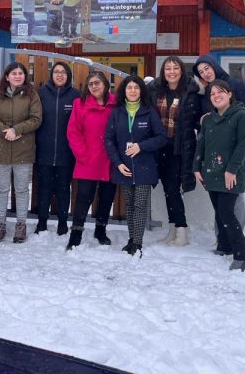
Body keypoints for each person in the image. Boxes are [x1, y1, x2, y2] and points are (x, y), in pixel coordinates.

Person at [193, 55, 245, 233]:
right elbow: (203, 123)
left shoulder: (236, 85)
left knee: (234, 195)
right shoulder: (207, 93)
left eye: (207, 68)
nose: (205, 73)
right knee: (218, 196)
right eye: (201, 72)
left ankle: (236, 237)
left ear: (215, 66)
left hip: (238, 151)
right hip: (216, 154)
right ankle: (221, 238)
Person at [193, 80, 245, 271]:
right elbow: (201, 144)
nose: (216, 96)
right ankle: (224, 246)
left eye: (220, 92)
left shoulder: (241, 116)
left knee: (227, 212)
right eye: (212, 94)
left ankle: (242, 255)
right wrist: (196, 167)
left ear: (229, 94)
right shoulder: (209, 119)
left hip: (231, 174)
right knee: (220, 212)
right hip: (211, 173)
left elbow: (243, 144)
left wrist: (232, 169)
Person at [104, 75, 167, 257]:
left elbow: (161, 137)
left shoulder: (149, 111)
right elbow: (109, 139)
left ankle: (137, 243)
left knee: (140, 205)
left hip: (144, 166)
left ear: (141, 91)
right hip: (124, 167)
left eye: (136, 88)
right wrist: (117, 163)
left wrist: (142, 146)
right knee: (130, 205)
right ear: (124, 91)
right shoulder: (117, 112)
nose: (132, 91)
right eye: (129, 87)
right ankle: (132, 239)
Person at [0, 62, 42, 243]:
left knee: (22, 190)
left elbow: (36, 119)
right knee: (1, 190)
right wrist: (4, 130)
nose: (18, 76)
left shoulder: (32, 95)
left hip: (23, 150)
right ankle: (0, 225)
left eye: (21, 73)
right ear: (7, 77)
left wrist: (16, 130)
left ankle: (21, 225)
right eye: (14, 73)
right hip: (0, 149)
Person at [148, 56, 200, 247]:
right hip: (159, 148)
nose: (171, 72)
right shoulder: (155, 90)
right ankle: (172, 231)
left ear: (181, 70)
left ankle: (182, 231)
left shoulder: (190, 92)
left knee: (173, 190)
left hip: (179, 149)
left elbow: (197, 118)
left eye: (175, 68)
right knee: (167, 190)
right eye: (168, 68)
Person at [65, 70, 116, 249]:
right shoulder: (80, 104)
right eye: (91, 84)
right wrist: (82, 155)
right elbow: (73, 132)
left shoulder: (115, 104)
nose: (94, 87)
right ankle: (76, 233)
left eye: (97, 83)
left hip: (110, 159)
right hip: (88, 158)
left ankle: (100, 230)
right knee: (83, 198)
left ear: (105, 85)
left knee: (107, 197)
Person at [35, 62, 80, 236]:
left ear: (68, 75)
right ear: (51, 74)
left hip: (66, 153)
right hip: (44, 151)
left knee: (63, 189)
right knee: (44, 188)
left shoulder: (75, 96)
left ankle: (63, 222)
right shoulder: (41, 94)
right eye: (56, 72)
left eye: (63, 72)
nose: (60, 75)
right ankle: (42, 222)